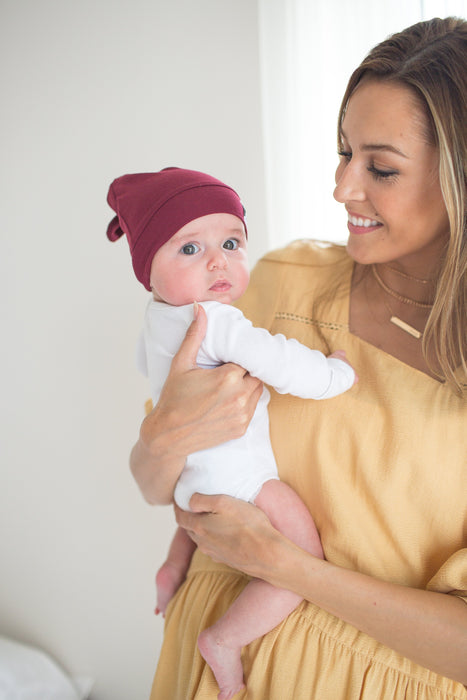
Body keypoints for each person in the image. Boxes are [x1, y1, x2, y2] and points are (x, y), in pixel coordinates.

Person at [129, 17, 467, 700]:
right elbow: (155, 479)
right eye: (342, 152)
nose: (342, 187)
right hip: (216, 667)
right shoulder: (279, 283)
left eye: (380, 167)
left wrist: (286, 566)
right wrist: (163, 440)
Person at [106, 167, 356, 699]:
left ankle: (174, 568)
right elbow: (280, 361)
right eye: (190, 250)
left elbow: (143, 365)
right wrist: (334, 374)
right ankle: (225, 639)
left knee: (194, 516)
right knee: (302, 557)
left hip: (190, 478)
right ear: (147, 269)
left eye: (230, 241)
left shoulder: (157, 318)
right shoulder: (218, 321)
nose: (218, 260)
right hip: (240, 479)